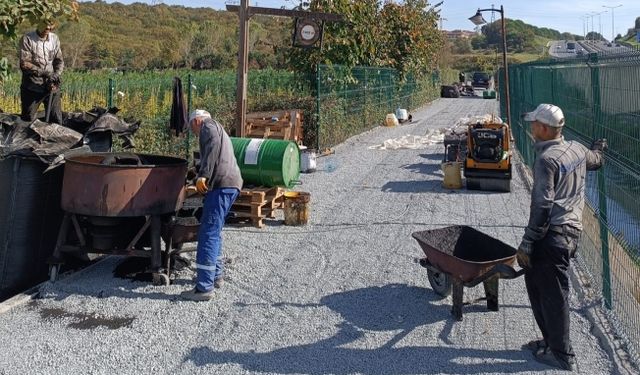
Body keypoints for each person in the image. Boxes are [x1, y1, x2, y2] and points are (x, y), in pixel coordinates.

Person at [517, 103, 607, 371]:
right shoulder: (577, 149)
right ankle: (549, 340)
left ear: (544, 129)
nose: (531, 127)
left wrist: (528, 242)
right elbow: (597, 161)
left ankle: (561, 355)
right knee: (536, 285)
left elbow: (542, 205)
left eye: (534, 124)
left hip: (552, 235)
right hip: (569, 233)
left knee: (554, 295)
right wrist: (600, 148)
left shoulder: (546, 160)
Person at [181, 110, 243, 302]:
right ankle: (216, 276)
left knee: (207, 233)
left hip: (222, 185)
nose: (193, 132)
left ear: (197, 121)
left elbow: (212, 146)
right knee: (214, 232)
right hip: (231, 184)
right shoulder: (218, 128)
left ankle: (204, 288)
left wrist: (204, 175)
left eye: (192, 127)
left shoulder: (208, 126)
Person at [19, 21, 64, 125]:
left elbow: (59, 61)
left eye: (50, 28)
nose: (47, 29)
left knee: (56, 119)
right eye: (45, 27)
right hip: (32, 87)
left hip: (51, 85)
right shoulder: (27, 39)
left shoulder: (54, 39)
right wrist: (45, 73)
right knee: (27, 120)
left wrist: (56, 74)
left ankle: (54, 141)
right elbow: (25, 64)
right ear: (39, 25)